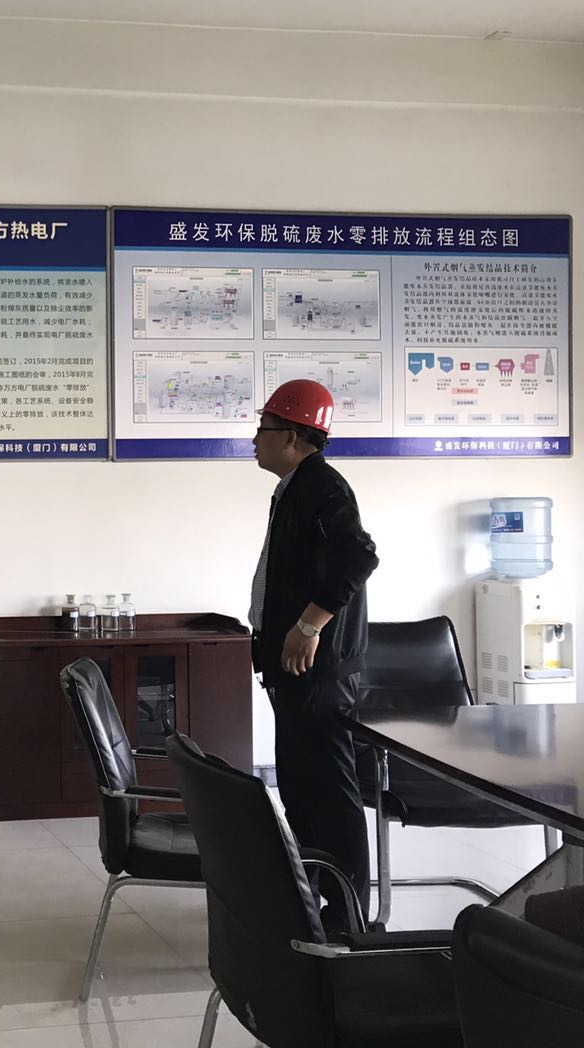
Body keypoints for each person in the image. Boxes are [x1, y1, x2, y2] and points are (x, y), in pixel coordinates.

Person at [250, 380, 379, 928]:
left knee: (329, 792)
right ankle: (316, 900)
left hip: (319, 673)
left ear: (293, 436)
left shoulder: (323, 487)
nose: (255, 439)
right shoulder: (297, 487)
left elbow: (359, 557)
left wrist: (308, 625)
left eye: (263, 428)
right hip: (293, 671)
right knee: (301, 788)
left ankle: (348, 914)